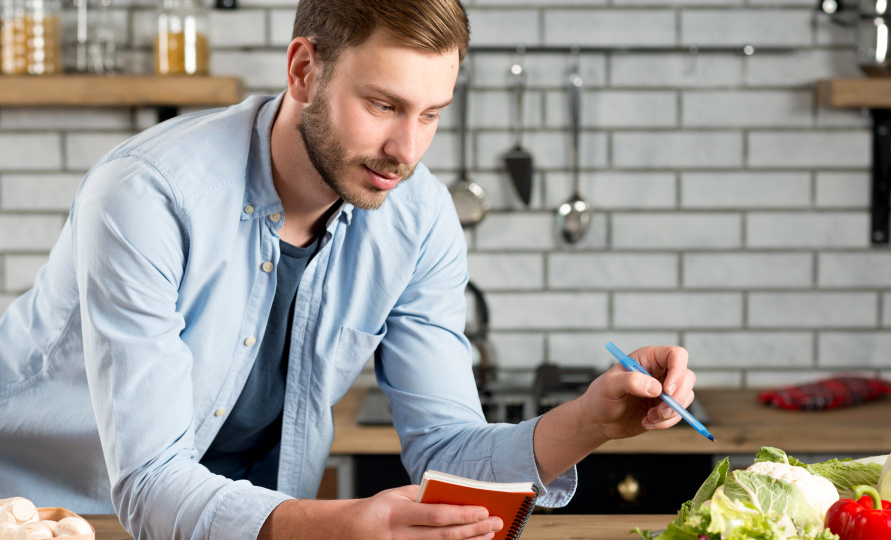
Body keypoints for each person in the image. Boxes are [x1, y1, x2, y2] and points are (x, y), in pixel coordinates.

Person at [0, 0, 698, 538]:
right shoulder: (146, 194)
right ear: (304, 70)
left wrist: (592, 421)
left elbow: (448, 451)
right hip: (49, 514)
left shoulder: (418, 217)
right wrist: (341, 524)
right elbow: (150, 485)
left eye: (431, 115)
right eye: (384, 105)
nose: (406, 149)